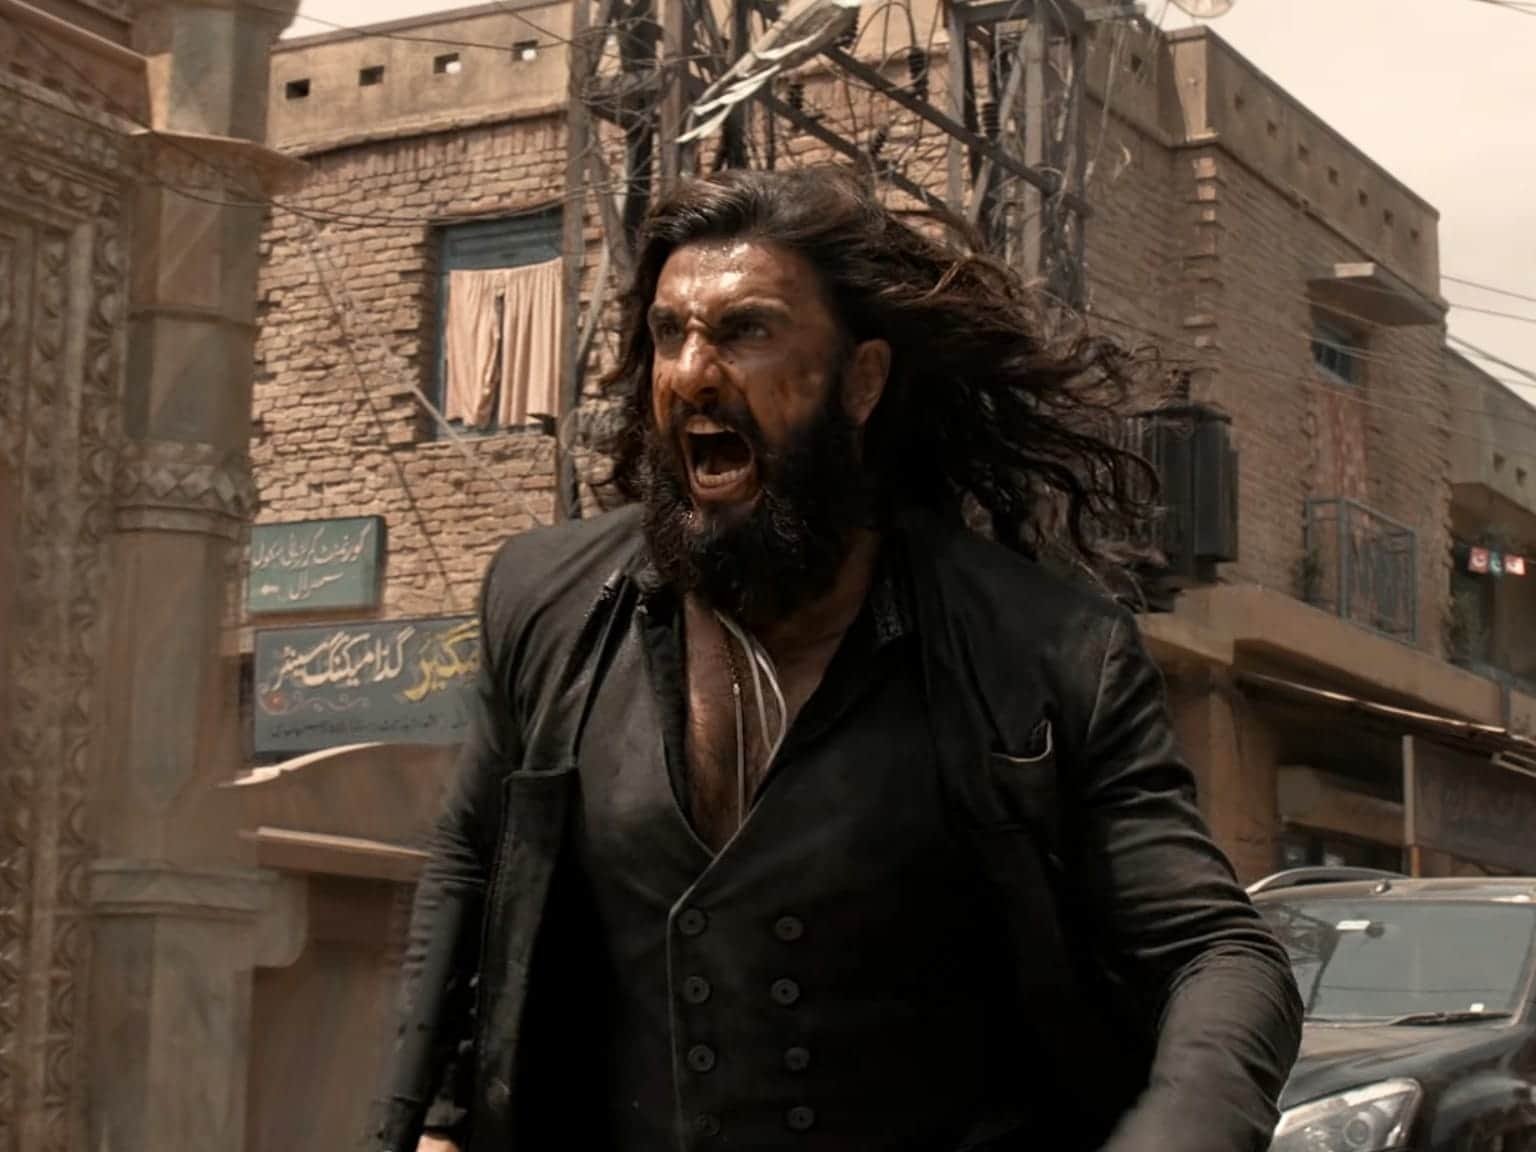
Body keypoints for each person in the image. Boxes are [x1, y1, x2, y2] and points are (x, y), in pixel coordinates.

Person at [376, 165, 1303, 1152]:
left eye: (746, 331)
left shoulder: (1045, 654)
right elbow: (472, 865)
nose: (692, 373)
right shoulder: (548, 603)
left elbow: (1216, 954)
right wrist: (426, 1126)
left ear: (861, 381)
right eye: (669, 333)